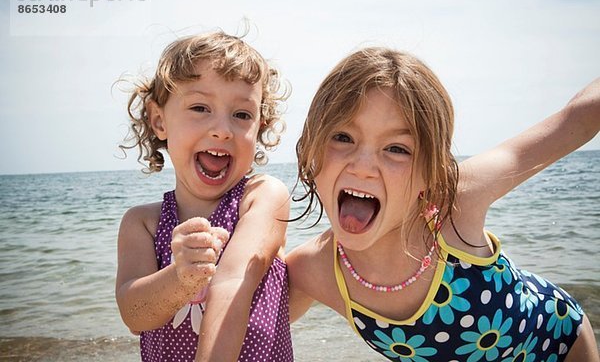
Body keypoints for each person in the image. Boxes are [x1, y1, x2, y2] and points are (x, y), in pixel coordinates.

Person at [287, 47, 600, 361]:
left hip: (557, 343)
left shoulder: (454, 204)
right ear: (312, 149)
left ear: (431, 170)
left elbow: (577, 119)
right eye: (343, 137)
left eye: (397, 148)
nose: (363, 166)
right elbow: (259, 324)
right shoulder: (311, 269)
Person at [115, 31, 293, 362]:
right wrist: (180, 277)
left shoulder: (263, 198)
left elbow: (233, 281)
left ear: (260, 126)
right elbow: (134, 315)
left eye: (242, 115)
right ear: (159, 120)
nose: (222, 129)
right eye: (200, 107)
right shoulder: (142, 224)